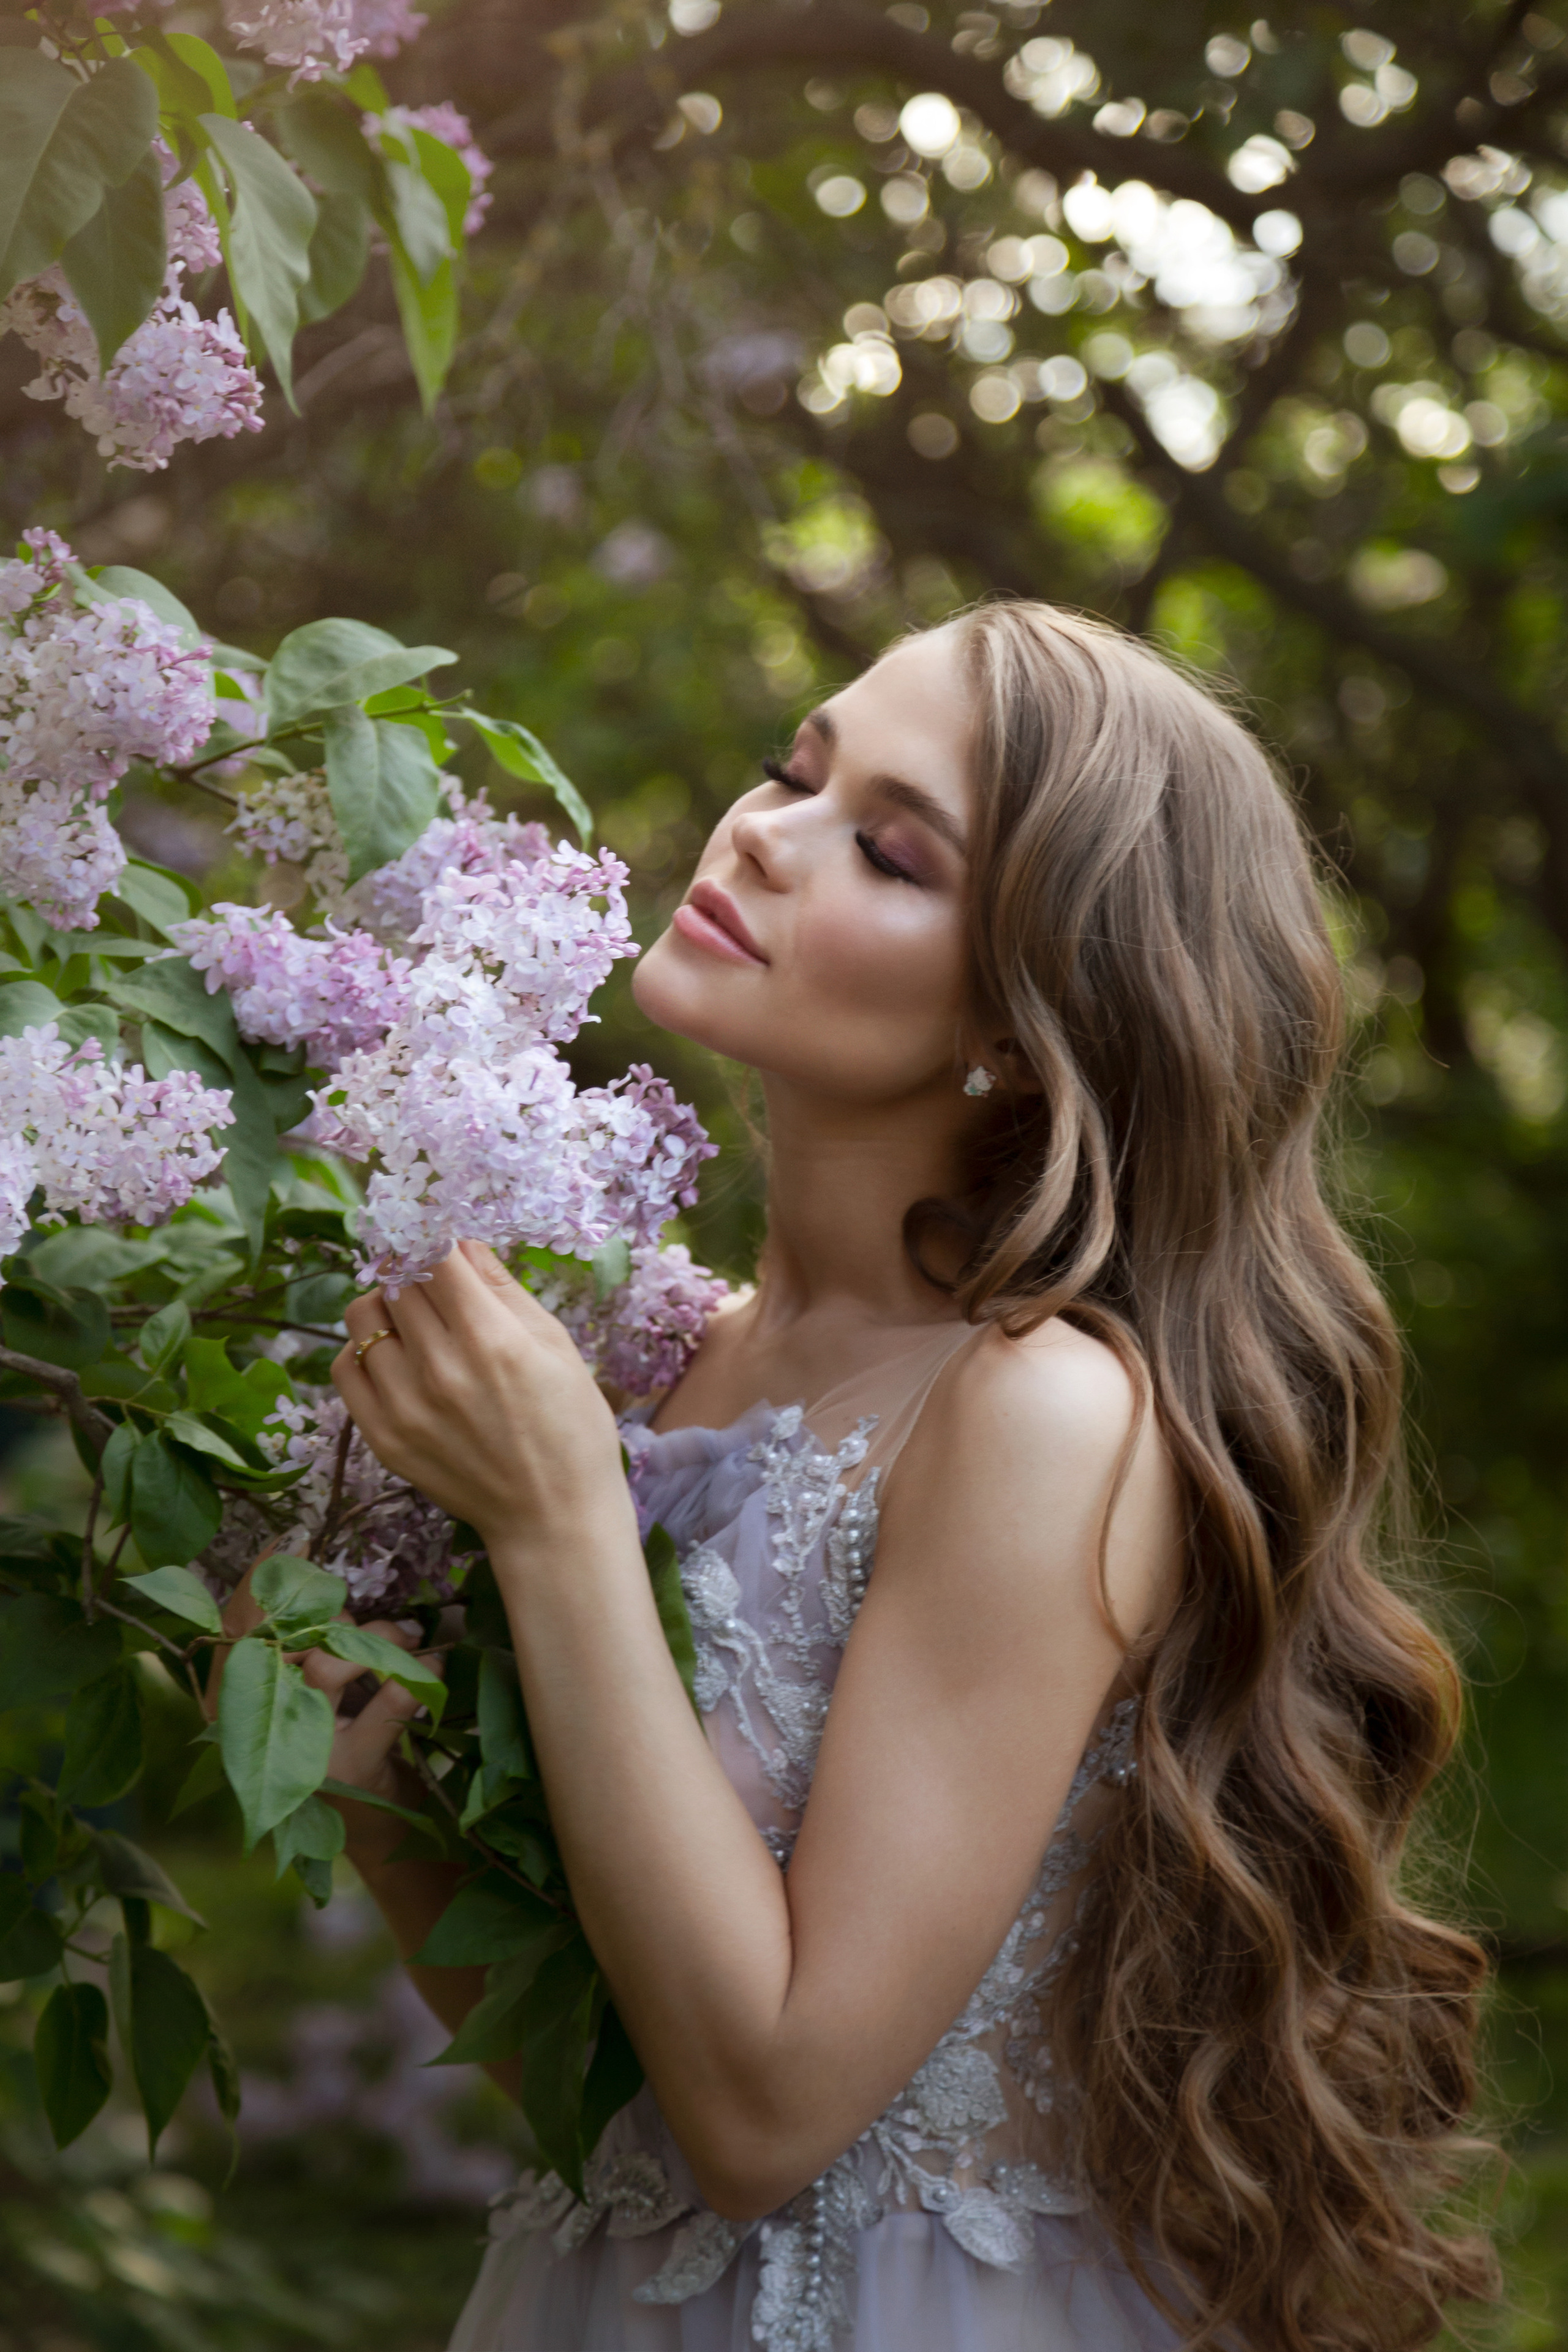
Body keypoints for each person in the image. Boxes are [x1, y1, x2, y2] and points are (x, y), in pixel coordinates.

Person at [298, 606, 1497, 2350]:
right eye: (793, 769)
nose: (762, 835)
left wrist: (552, 1520)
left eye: (889, 850)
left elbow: (768, 2116)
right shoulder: (662, 1355)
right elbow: (619, 2097)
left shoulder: (1040, 1414)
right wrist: (365, 1781)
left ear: (1025, 1011)